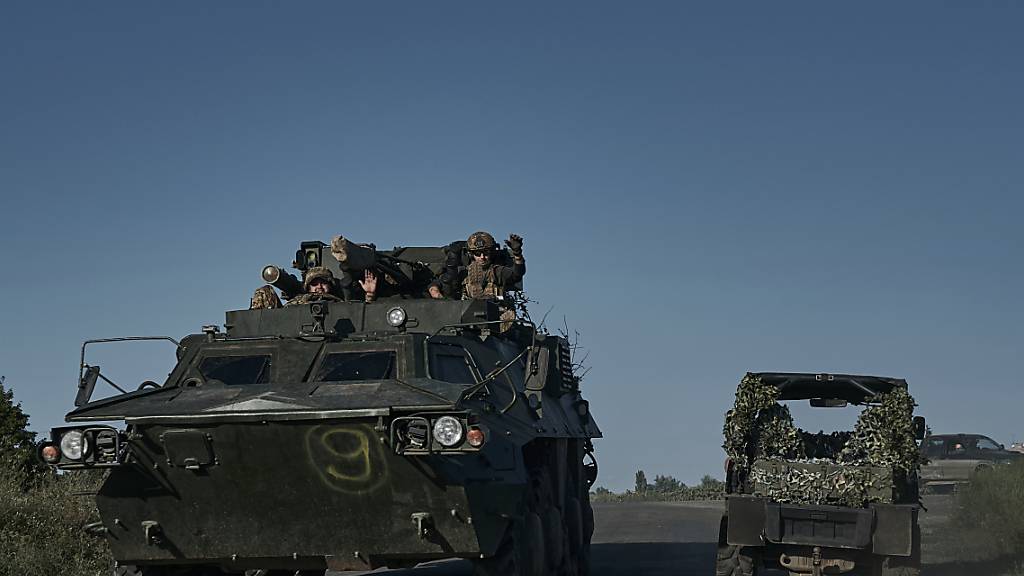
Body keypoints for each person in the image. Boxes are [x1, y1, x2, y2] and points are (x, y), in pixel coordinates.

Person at [460, 231, 525, 300]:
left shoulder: (497, 271)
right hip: (468, 309)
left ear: (492, 253)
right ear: (471, 255)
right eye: (478, 253)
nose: (482, 257)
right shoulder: (464, 272)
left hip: (497, 308)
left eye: (486, 253)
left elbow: (516, 275)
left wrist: (517, 254)